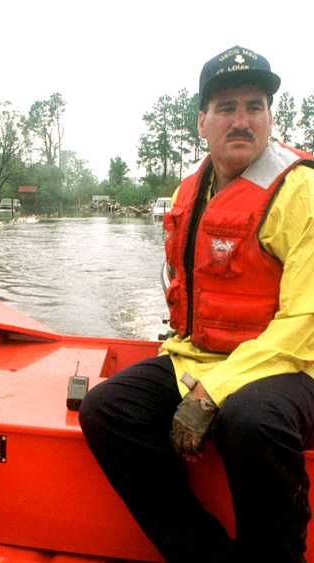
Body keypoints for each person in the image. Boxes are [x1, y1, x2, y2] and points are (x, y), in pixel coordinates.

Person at [79, 46, 314, 563]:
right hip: (202, 355)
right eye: (226, 107)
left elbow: (306, 325)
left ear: (271, 117)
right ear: (202, 120)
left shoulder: (303, 192)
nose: (242, 120)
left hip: (294, 366)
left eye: (255, 106)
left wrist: (213, 392)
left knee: (250, 422)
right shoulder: (192, 189)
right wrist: (200, 376)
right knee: (106, 410)